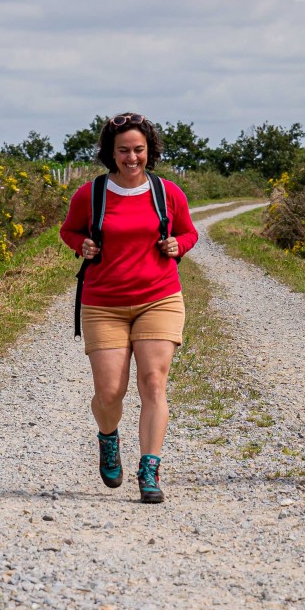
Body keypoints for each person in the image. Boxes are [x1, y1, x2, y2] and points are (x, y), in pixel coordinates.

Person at [59, 113, 199, 504]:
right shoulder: (92, 194)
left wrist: (179, 246)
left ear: (149, 150)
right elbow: (69, 230)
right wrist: (81, 245)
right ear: (111, 152)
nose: (132, 157)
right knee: (109, 393)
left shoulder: (167, 192)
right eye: (123, 150)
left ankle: (149, 469)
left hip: (159, 297)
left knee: (153, 382)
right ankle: (108, 437)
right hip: (103, 303)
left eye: (139, 149)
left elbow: (189, 231)